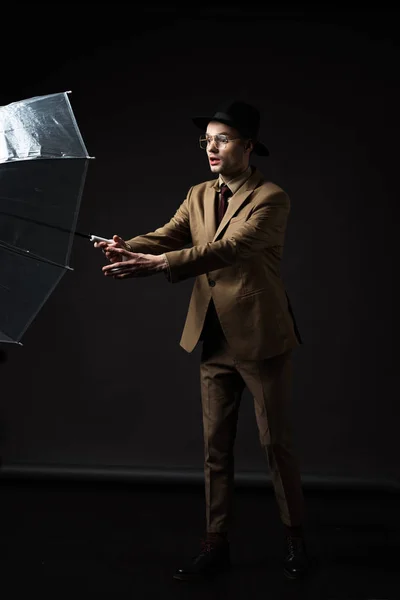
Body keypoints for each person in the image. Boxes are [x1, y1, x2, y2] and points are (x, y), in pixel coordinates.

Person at [94, 100, 308, 581]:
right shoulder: (197, 193)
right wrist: (128, 246)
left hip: (261, 338)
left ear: (248, 146)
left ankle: (296, 540)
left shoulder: (271, 197)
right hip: (212, 337)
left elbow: (228, 249)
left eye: (223, 139)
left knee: (276, 445)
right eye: (206, 140)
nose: (211, 148)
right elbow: (171, 233)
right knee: (215, 448)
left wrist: (158, 265)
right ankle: (216, 544)